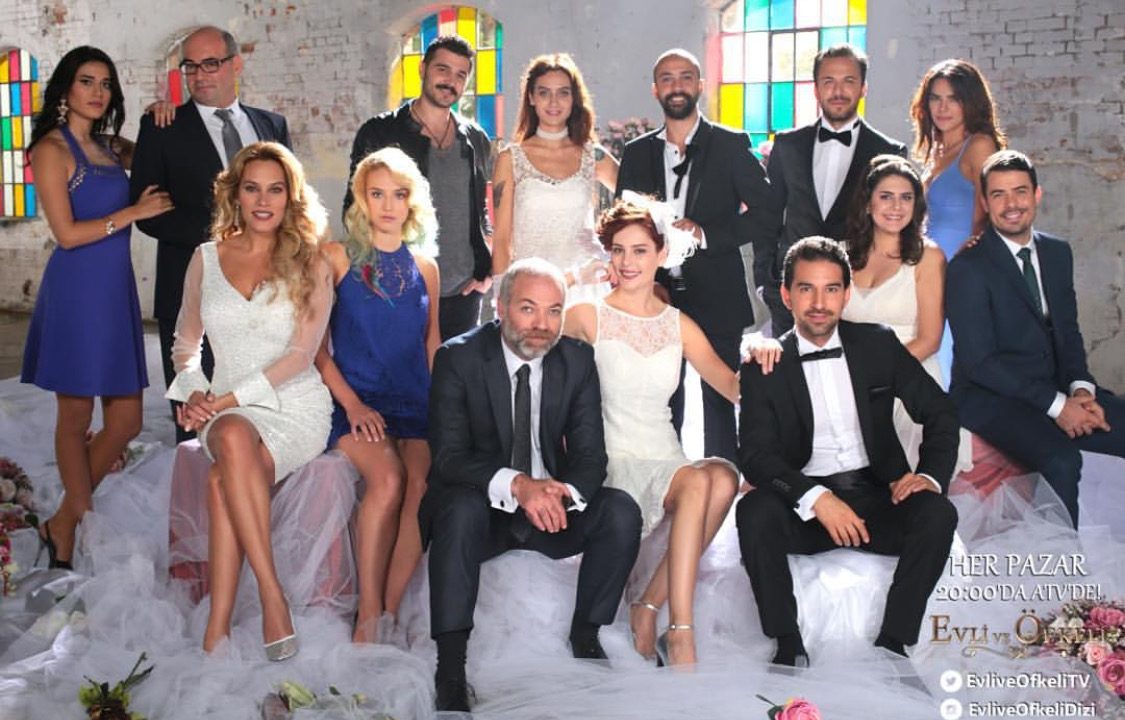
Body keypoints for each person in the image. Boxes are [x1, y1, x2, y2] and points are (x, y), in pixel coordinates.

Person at [422, 258, 641, 711]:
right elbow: (448, 457)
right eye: (528, 308)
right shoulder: (458, 358)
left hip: (549, 512)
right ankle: (451, 669)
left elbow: (590, 456)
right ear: (501, 308)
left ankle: (586, 636)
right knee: (458, 508)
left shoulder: (576, 360)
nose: (542, 324)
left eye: (553, 310)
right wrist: (519, 485)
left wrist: (561, 493)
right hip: (483, 510)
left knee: (621, 510)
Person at [737, 237, 960, 667]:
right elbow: (756, 456)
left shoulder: (878, 344)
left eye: (832, 289)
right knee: (754, 512)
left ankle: (893, 644)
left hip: (877, 499)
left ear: (846, 293)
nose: (819, 303)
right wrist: (817, 499)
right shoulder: (766, 364)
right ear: (787, 294)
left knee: (938, 514)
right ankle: (787, 644)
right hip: (804, 507)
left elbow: (941, 412)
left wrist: (929, 476)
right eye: (806, 289)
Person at [166, 141, 334, 659]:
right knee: (235, 436)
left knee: (223, 478)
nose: (264, 201)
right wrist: (195, 392)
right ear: (235, 195)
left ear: (290, 197)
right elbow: (184, 346)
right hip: (226, 411)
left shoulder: (313, 261)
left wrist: (219, 403)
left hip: (294, 406)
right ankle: (271, 594)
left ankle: (218, 626)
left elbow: (301, 356)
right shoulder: (205, 258)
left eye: (275, 190)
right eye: (253, 188)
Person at [563, 198, 738, 667]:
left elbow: (731, 386)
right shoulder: (587, 315)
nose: (627, 262)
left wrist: (769, 355)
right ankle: (680, 634)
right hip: (614, 460)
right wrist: (574, 278)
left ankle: (651, 608)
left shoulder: (678, 324)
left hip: (665, 458)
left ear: (661, 253)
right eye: (618, 250)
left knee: (724, 476)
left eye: (640, 250)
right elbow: (528, 338)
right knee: (700, 480)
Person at [21, 46, 173, 570]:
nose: (98, 92)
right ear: (66, 89)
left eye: (106, 84)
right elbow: (65, 234)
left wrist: (161, 116)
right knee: (76, 415)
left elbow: (160, 155)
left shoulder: (112, 147)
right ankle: (78, 525)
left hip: (115, 289)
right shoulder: (50, 149)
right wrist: (132, 213)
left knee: (127, 420)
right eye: (86, 81)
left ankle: (62, 521)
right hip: (77, 290)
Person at [946, 150, 1125, 528]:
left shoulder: (1057, 252)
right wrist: (1059, 407)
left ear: (1037, 195)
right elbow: (981, 363)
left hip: (1054, 385)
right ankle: (1064, 561)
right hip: (989, 396)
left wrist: (1080, 391)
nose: (1011, 204)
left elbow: (1069, 333)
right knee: (1061, 460)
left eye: (1020, 192)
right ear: (985, 202)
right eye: (999, 194)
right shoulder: (967, 268)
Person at [615, 47, 777, 465]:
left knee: (720, 406)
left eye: (686, 77)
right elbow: (620, 222)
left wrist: (706, 234)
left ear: (700, 85)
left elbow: (767, 213)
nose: (677, 86)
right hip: (653, 296)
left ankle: (722, 485)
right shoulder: (636, 153)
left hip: (717, 293)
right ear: (655, 89)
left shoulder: (730, 144)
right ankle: (666, 482)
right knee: (660, 402)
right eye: (667, 78)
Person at [131, 26, 292, 442]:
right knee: (197, 424)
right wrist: (229, 238)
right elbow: (148, 214)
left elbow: (289, 204)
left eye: (211, 64)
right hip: (192, 288)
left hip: (268, 294)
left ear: (235, 65)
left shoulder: (272, 125)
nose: (199, 75)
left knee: (263, 414)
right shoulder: (161, 126)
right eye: (190, 66)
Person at [314, 148, 440, 642]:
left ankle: (388, 607)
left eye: (399, 194)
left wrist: (444, 410)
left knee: (421, 485)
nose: (388, 206)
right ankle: (368, 614)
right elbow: (314, 347)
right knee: (387, 479)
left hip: (414, 402)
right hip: (356, 401)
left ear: (413, 201)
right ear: (361, 200)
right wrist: (352, 404)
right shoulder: (336, 257)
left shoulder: (425, 267)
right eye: (377, 194)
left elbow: (432, 345)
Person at [345, 35, 492, 341]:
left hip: (462, 294)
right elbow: (354, 209)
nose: (450, 81)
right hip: (400, 286)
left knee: (456, 371)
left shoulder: (475, 138)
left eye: (460, 74)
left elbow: (481, 211)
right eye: (442, 69)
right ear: (422, 69)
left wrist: (486, 273)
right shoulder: (380, 132)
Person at [759, 44, 907, 336]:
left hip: (858, 296)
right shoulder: (787, 145)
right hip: (790, 294)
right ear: (816, 89)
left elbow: (894, 228)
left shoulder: (888, 151)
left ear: (863, 88)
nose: (838, 91)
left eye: (848, 81)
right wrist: (766, 282)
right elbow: (768, 216)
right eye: (829, 81)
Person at [491, 53, 619, 301]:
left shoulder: (593, 155)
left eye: (563, 93)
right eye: (544, 93)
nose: (553, 102)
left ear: (573, 99)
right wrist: (502, 298)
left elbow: (637, 201)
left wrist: (618, 253)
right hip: (531, 289)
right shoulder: (510, 158)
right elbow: (502, 239)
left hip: (587, 288)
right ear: (531, 97)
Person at [910, 58, 1006, 382]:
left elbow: (991, 217)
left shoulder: (979, 146)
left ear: (971, 102)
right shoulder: (935, 151)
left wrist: (970, 275)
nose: (943, 107)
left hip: (959, 276)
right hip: (927, 273)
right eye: (935, 98)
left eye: (953, 98)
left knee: (946, 367)